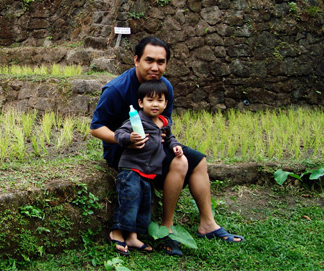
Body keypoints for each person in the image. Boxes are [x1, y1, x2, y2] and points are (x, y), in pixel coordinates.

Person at [91, 36, 244, 256]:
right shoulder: (117, 89)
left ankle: (207, 224)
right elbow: (96, 128)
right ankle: (166, 230)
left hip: (153, 149)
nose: (155, 67)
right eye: (149, 60)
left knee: (197, 161)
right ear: (136, 60)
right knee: (180, 164)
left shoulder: (165, 88)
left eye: (161, 62)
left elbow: (164, 124)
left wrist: (172, 144)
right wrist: (126, 139)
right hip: (124, 152)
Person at [111, 80, 184, 256]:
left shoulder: (164, 123)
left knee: (143, 206)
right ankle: (117, 232)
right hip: (131, 169)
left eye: (160, 100)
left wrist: (175, 146)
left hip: (148, 172)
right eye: (150, 100)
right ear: (140, 103)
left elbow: (169, 138)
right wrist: (130, 138)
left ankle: (133, 237)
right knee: (129, 201)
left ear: (166, 104)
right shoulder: (136, 119)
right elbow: (118, 134)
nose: (155, 104)